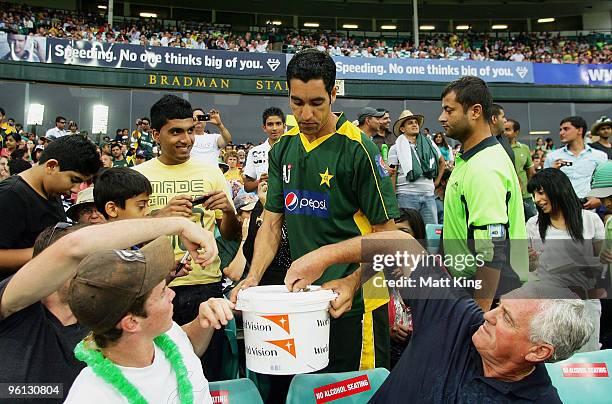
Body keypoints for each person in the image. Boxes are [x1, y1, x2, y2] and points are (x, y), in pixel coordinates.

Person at [231, 49, 399, 374]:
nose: (305, 113)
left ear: (334, 93)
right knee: (311, 389)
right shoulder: (283, 148)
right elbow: (271, 224)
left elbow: (390, 240)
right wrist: (252, 276)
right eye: (297, 102)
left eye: (317, 103)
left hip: (361, 296)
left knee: (352, 392)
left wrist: (352, 282)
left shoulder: (359, 149)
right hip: (307, 299)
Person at [0, 216, 218, 401]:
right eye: (86, 259)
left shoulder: (105, 306)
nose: (97, 267)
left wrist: (202, 321)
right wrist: (180, 225)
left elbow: (176, 350)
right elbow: (72, 246)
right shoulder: (16, 307)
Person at [133, 95, 240, 381]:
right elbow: (124, 237)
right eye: (175, 131)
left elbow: (231, 234)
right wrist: (163, 217)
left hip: (205, 286)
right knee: (158, 375)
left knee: (208, 375)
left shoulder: (211, 173)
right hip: (156, 288)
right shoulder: (137, 177)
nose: (186, 139)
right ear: (156, 134)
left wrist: (228, 212)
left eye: (190, 130)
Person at [438, 76, 528, 311]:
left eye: (449, 110)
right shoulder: (472, 158)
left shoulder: (484, 166)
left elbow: (491, 249)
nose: (442, 118)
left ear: (475, 111)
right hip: (473, 286)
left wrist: (479, 316)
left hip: (491, 295)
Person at [0, 135, 101, 278]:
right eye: (74, 180)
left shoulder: (52, 190)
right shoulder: (10, 195)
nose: (76, 189)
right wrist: (52, 251)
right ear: (51, 166)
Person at [526, 168, 604, 352]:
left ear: (559, 189)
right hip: (549, 306)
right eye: (534, 194)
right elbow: (528, 270)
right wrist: (529, 262)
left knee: (586, 362)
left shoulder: (591, 220)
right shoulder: (533, 225)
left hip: (585, 305)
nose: (537, 200)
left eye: (541, 192)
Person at [388, 109, 445, 225]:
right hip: (405, 196)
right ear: (402, 129)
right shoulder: (395, 148)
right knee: (408, 237)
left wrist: (436, 183)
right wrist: (393, 199)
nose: (414, 124)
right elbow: (392, 174)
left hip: (428, 196)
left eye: (416, 122)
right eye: (410, 123)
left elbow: (442, 162)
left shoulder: (429, 143)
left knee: (431, 236)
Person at [388, 209, 425, 369]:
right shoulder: (375, 272)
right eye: (392, 233)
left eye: (403, 232)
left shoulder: (432, 269)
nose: (398, 239)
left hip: (421, 349)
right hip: (389, 350)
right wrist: (389, 331)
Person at [544, 116, 607, 206]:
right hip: (562, 208)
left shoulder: (599, 156)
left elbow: (605, 185)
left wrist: (599, 200)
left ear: (579, 130)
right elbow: (544, 186)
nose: (561, 133)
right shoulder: (552, 156)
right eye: (560, 129)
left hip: (590, 209)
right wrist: (553, 171)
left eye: (566, 129)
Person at [243, 107, 286, 192]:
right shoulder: (254, 152)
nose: (274, 128)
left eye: (278, 124)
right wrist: (260, 181)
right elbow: (247, 187)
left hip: (290, 200)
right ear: (264, 128)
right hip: (264, 200)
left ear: (284, 126)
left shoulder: (293, 149)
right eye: (270, 124)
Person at [504, 118, 537, 219]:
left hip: (525, 196)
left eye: (508, 130)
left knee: (532, 222)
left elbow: (530, 172)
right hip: (505, 195)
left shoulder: (524, 148)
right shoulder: (498, 148)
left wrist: (532, 192)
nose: (504, 132)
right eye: (503, 129)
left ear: (516, 132)